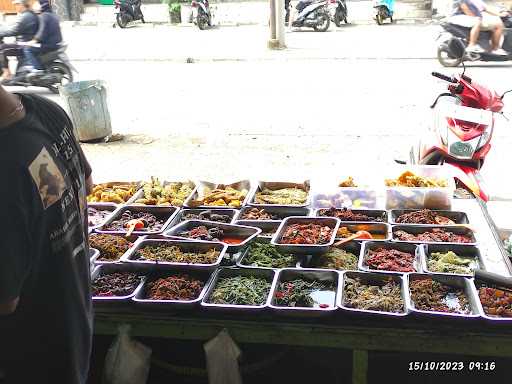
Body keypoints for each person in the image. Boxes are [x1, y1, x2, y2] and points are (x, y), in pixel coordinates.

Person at [0, 85, 93, 383]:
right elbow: (85, 184)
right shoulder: (44, 109)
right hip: (71, 328)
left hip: (26, 360)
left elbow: (5, 301)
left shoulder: (5, 172)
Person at [0, 0, 39, 81]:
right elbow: (12, 26)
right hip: (25, 42)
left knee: (2, 48)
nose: (16, 7)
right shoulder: (27, 15)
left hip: (24, 44)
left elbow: (14, 30)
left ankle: (7, 73)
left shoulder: (26, 16)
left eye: (17, 4)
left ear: (23, 5)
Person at [24, 0, 63, 72]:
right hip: (57, 42)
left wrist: (34, 40)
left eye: (38, 4)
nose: (35, 6)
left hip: (49, 44)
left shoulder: (44, 16)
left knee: (27, 49)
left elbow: (42, 31)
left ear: (42, 5)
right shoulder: (52, 15)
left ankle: (38, 69)